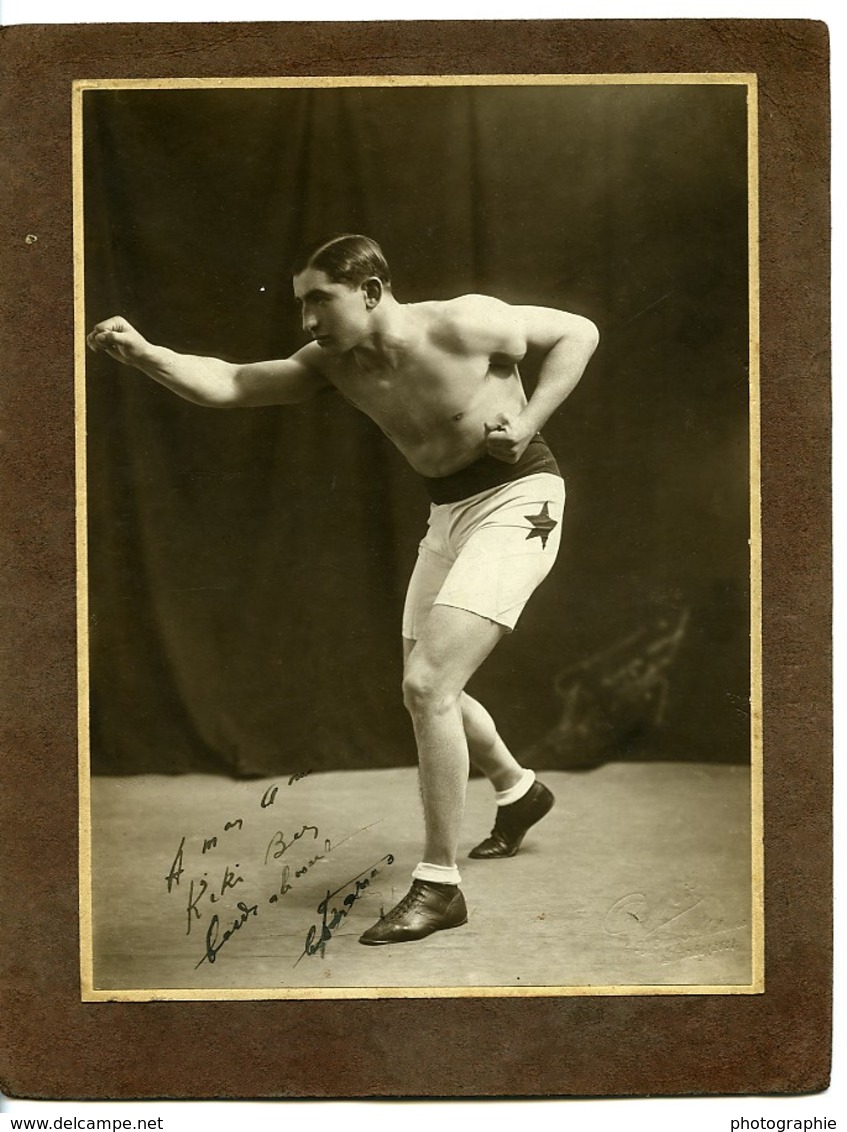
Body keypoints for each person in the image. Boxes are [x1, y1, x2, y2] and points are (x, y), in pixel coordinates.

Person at [87, 234, 599, 947]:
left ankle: (439, 885)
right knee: (426, 689)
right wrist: (145, 355)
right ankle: (519, 790)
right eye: (301, 304)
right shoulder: (332, 365)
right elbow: (231, 383)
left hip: (519, 500)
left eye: (318, 301)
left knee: (429, 688)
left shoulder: (461, 322)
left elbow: (578, 330)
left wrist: (529, 419)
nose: (307, 321)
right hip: (447, 513)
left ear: (369, 290)